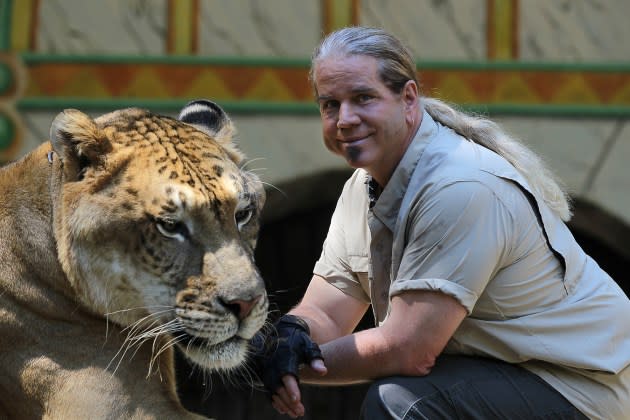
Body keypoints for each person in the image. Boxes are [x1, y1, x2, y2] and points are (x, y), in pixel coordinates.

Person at [250, 26, 630, 420]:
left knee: (400, 403)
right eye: (330, 104)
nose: (344, 119)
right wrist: (291, 337)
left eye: (363, 98)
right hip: (501, 372)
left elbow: (409, 350)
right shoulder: (362, 185)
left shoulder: (459, 185)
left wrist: (285, 365)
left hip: (581, 388)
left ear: (408, 99)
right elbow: (328, 313)